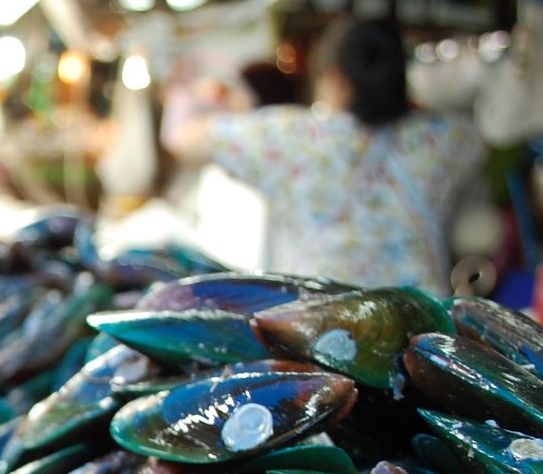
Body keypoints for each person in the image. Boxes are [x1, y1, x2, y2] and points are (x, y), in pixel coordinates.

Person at [167, 18, 483, 295]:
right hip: (420, 332)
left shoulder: (294, 137)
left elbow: (181, 139)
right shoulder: (443, 139)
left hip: (319, 333)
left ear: (334, 79)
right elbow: (482, 133)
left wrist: (198, 90)